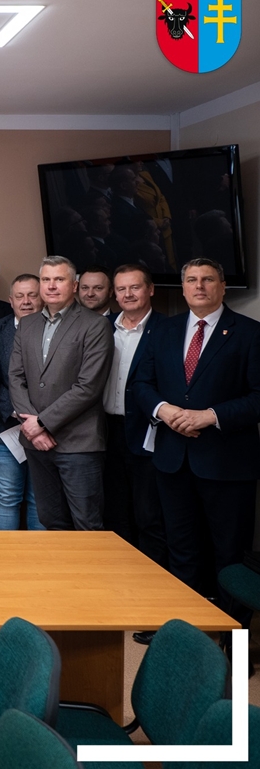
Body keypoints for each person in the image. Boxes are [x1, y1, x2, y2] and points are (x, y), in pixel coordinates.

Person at [133, 258, 260, 627]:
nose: (199, 286)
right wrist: (165, 410)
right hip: (173, 460)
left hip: (227, 463)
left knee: (230, 556)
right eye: (191, 280)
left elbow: (258, 396)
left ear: (223, 286)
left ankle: (234, 642)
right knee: (181, 549)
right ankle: (185, 633)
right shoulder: (164, 331)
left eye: (208, 279)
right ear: (183, 287)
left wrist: (211, 415)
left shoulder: (250, 333)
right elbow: (142, 384)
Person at [8, 255, 112, 531]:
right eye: (46, 280)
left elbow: (88, 387)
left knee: (87, 524)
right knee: (51, 521)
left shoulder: (95, 325)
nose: (51, 286)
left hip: (78, 443)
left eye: (59, 279)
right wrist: (33, 428)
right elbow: (15, 377)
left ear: (74, 285)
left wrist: (42, 423)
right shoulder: (27, 324)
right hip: (36, 444)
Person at [102, 264, 167, 564]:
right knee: (114, 514)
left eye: (135, 287)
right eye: (121, 289)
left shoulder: (168, 329)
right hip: (105, 431)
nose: (128, 294)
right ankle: (119, 577)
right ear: (114, 294)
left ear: (150, 290)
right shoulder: (102, 327)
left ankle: (152, 579)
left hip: (147, 432)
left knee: (148, 515)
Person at [0, 274, 44, 531]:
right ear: (10, 300)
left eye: (32, 295)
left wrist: (42, 420)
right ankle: (3, 555)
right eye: (20, 296)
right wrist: (18, 413)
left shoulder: (59, 329)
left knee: (39, 499)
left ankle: (38, 555)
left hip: (47, 430)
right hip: (5, 429)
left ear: (42, 298)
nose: (26, 301)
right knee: (7, 497)